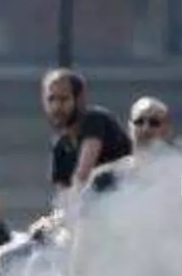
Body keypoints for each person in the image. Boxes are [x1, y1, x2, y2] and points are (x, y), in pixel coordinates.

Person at [43, 68, 132, 197]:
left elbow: (83, 174)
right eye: (51, 99)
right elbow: (62, 194)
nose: (57, 107)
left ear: (78, 99)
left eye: (63, 99)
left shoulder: (95, 120)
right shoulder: (60, 146)